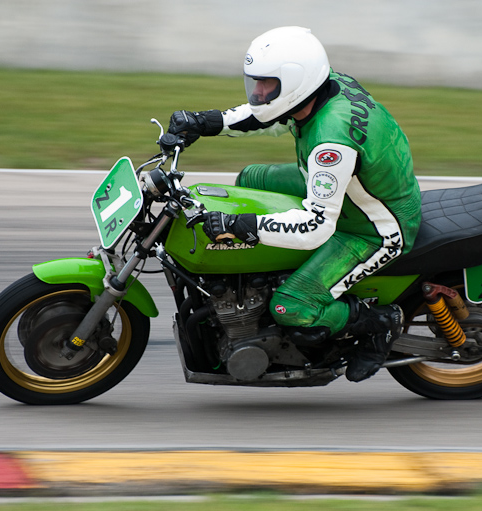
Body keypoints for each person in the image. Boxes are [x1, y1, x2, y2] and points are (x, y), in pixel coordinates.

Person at [167, 26, 422, 382]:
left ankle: (378, 324)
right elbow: (269, 114)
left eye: (266, 84)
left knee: (292, 306)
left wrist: (241, 227)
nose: (257, 92)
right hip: (346, 185)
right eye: (255, 82)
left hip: (372, 225)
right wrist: (207, 122)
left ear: (296, 82)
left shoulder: (330, 144)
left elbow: (315, 227)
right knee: (251, 179)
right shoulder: (326, 85)